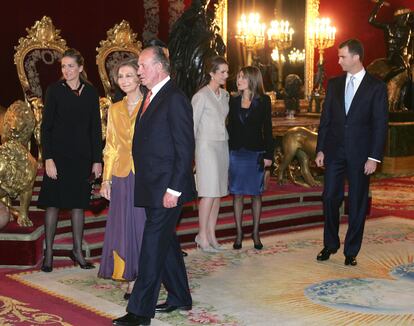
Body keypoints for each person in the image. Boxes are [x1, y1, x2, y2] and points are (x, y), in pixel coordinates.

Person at [112, 46, 196, 326]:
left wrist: (174, 189)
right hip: (151, 186)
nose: (138, 71)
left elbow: (185, 148)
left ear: (159, 67)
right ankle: (180, 296)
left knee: (150, 248)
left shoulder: (175, 98)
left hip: (167, 189)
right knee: (166, 243)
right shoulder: (152, 95)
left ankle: (139, 312)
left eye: (142, 66)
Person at [315, 39, 388, 266]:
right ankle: (330, 244)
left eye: (342, 57)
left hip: (361, 155)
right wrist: (320, 149)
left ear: (356, 57)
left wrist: (374, 157)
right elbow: (325, 119)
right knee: (329, 197)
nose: (338, 61)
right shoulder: (334, 84)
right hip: (335, 152)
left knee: (357, 202)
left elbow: (380, 124)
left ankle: (351, 250)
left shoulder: (376, 87)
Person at [38, 48, 103, 272]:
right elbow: (45, 128)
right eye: (63, 66)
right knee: (53, 203)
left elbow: (96, 128)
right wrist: (48, 158)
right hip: (58, 156)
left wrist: (97, 160)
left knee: (79, 204)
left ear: (80, 68)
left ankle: (77, 251)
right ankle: (49, 254)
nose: (66, 70)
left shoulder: (91, 92)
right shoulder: (54, 91)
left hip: (82, 158)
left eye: (70, 66)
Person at [98, 58, 146, 300]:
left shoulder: (150, 104)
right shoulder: (114, 109)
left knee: (141, 225)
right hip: (120, 174)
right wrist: (106, 181)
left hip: (144, 175)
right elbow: (111, 147)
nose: (125, 80)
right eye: (120, 77)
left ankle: (143, 275)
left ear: (139, 77)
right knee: (122, 226)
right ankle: (129, 275)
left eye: (129, 75)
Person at [227, 66, 273, 250]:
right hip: (236, 153)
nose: (238, 80)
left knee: (256, 194)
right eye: (238, 77)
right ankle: (239, 233)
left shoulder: (264, 101)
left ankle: (255, 232)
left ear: (253, 80)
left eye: (243, 77)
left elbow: (268, 129)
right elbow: (228, 127)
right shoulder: (232, 100)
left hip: (256, 153)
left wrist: (269, 155)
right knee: (237, 194)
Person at [192, 56, 229, 252]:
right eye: (222, 72)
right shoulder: (200, 96)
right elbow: (192, 126)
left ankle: (212, 234)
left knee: (218, 194)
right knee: (207, 192)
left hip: (222, 146)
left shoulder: (225, 95)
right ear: (211, 73)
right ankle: (201, 235)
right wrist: (192, 156)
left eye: (226, 72)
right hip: (205, 147)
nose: (226, 75)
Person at [168, 0, 226, 99]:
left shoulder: (210, 15)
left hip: (208, 55)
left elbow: (215, 34)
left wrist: (219, 42)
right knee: (197, 82)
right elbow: (177, 35)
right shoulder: (189, 15)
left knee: (209, 81)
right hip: (194, 56)